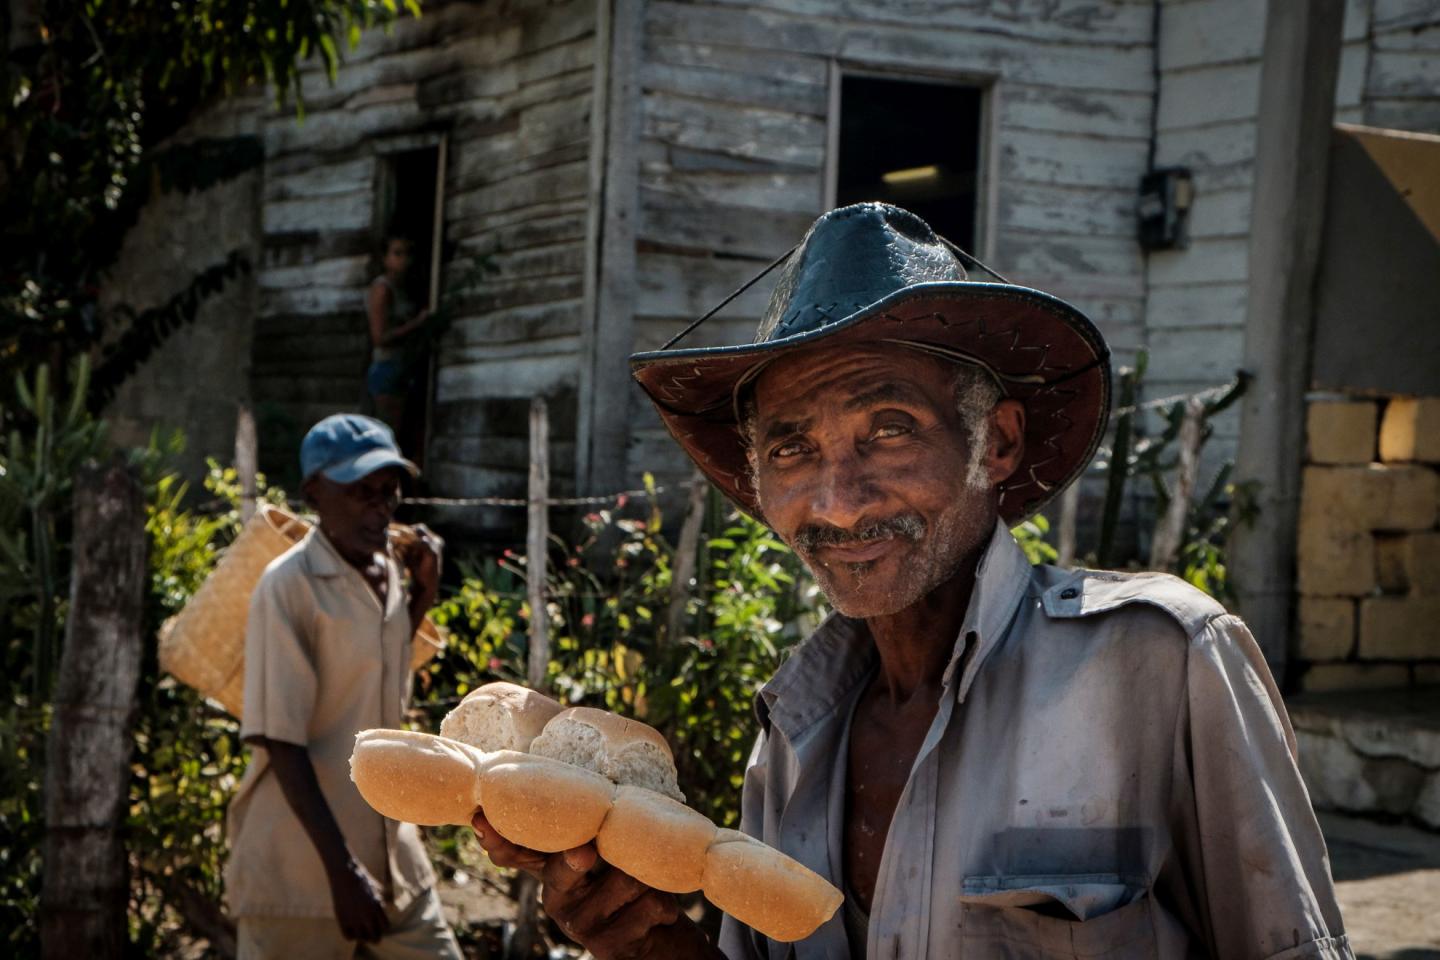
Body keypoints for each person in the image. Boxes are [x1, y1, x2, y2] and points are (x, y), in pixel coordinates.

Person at [471, 203, 1353, 958]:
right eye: (790, 449)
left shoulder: (1158, 661)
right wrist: (650, 941)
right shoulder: (794, 732)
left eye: (889, 430)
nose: (839, 502)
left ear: (995, 443)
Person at [226, 413, 462, 960]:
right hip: (302, 869)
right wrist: (343, 871)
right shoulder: (288, 587)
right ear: (315, 493)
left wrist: (422, 593)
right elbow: (279, 740)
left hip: (389, 850)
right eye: (361, 491)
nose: (379, 506)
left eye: (389, 491)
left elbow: (378, 678)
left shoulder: (388, 572)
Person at [367, 236, 430, 429]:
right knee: (388, 432)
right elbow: (379, 337)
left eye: (407, 254)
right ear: (385, 258)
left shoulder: (404, 289)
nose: (404, 259)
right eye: (397, 253)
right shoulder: (382, 289)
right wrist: (416, 324)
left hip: (402, 368)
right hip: (387, 368)